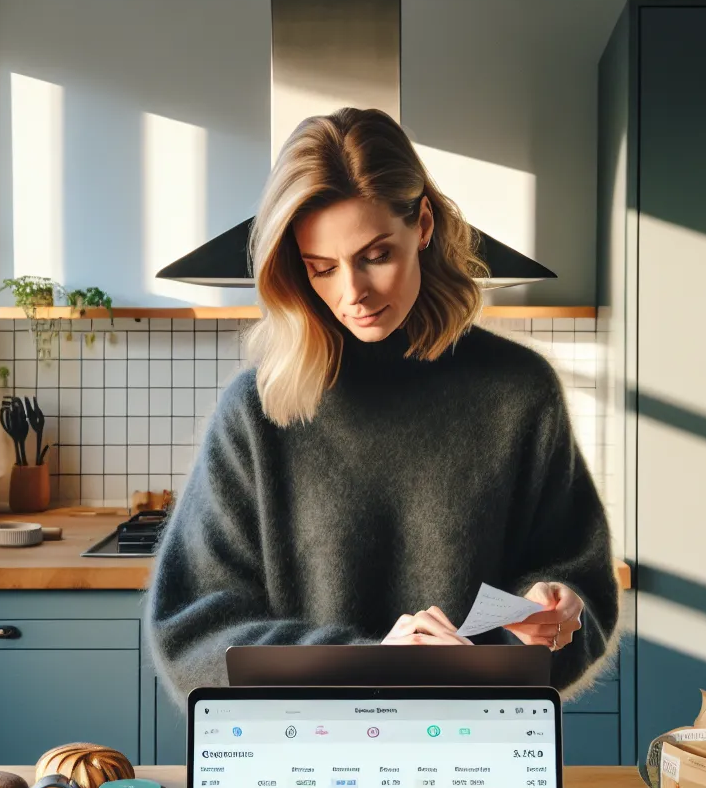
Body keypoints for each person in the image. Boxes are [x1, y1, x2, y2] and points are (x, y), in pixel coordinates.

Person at [145, 107, 619, 699]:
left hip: (474, 739)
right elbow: (192, 632)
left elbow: (581, 584)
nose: (353, 294)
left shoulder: (520, 392)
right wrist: (366, 663)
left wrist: (551, 612)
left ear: (423, 225)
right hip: (303, 747)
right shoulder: (256, 411)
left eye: (376, 256)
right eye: (322, 268)